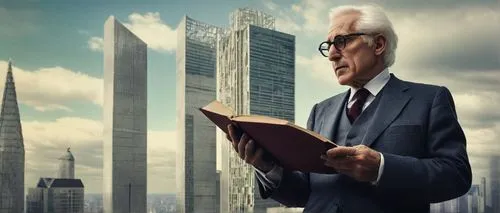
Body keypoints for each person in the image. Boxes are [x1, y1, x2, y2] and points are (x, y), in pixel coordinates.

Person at [226, 3, 472, 213]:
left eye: (341, 41)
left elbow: (457, 175)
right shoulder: (320, 110)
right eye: (329, 45)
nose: (332, 54)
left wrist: (382, 168)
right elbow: (303, 195)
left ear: (378, 45)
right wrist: (267, 167)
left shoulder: (429, 99)